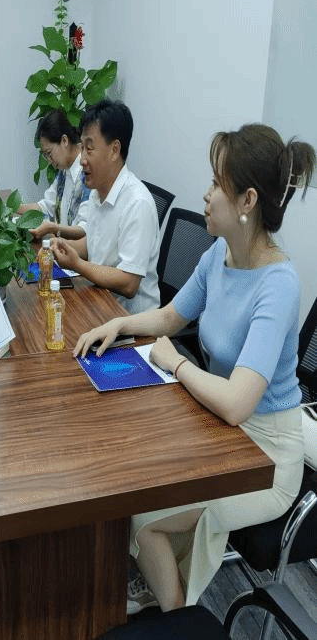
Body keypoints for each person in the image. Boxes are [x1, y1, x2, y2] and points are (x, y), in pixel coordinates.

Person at [73, 123, 315, 614]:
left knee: (144, 514)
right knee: (133, 480)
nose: (205, 195)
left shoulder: (278, 285)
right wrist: (119, 325)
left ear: (247, 201)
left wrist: (177, 362)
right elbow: (170, 317)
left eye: (216, 184)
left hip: (265, 455)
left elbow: (238, 403)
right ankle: (165, 591)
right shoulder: (220, 255)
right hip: (222, 429)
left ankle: (176, 616)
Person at [50, 99, 160, 314]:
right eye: (82, 148)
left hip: (131, 322)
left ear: (114, 150)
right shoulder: (97, 194)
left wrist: (77, 264)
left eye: (89, 149)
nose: (82, 159)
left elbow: (128, 283)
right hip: (99, 304)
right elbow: (93, 243)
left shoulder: (137, 203)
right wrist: (63, 247)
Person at [19, 109, 91, 241]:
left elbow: (85, 229)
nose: (49, 160)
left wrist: (54, 229)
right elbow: (46, 206)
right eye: (45, 155)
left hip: (77, 250)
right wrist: (12, 207)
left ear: (64, 140)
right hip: (62, 246)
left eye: (49, 153)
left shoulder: (88, 171)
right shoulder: (64, 170)